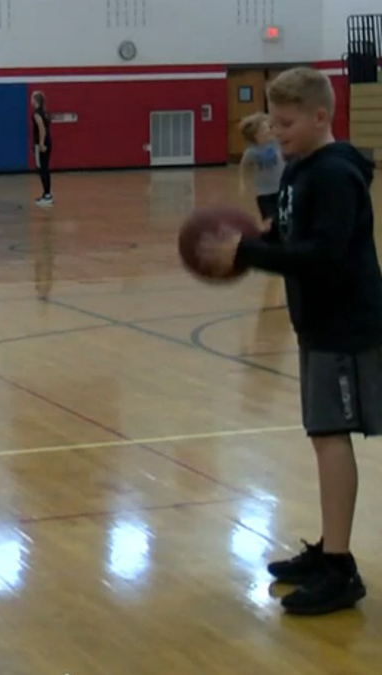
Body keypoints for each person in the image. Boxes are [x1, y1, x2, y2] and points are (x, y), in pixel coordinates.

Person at [197, 66, 381, 616]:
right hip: (320, 324)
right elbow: (292, 235)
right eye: (273, 122)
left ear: (321, 116)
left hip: (348, 326)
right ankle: (330, 551)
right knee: (324, 436)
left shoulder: (333, 174)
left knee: (330, 436)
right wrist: (259, 238)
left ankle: (340, 568)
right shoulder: (303, 170)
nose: (276, 131)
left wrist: (249, 255)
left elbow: (325, 255)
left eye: (286, 122)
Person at [238, 112, 284, 226]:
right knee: (269, 220)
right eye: (264, 129)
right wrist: (242, 183)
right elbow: (243, 166)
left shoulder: (276, 143)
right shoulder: (251, 152)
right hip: (264, 192)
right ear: (255, 134)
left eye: (269, 127)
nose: (269, 130)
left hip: (281, 187)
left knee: (283, 217)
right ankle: (270, 239)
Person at [30, 91, 53, 206]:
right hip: (48, 142)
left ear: (36, 100)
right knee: (44, 168)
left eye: (32, 98)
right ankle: (47, 193)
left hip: (41, 144)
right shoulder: (44, 112)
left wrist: (41, 143)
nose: (31, 101)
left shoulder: (37, 114)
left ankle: (47, 195)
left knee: (42, 169)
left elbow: (42, 128)